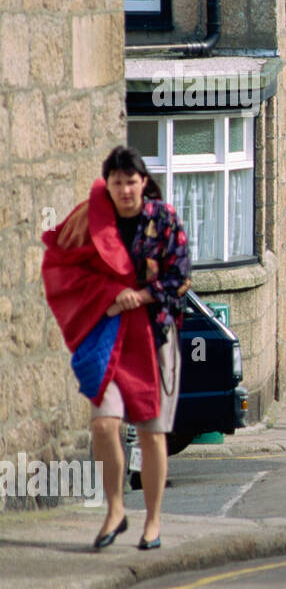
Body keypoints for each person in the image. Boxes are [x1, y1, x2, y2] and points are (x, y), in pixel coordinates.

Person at [41, 146, 192, 551]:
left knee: (151, 433)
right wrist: (108, 296)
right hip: (109, 337)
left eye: (131, 181)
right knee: (104, 425)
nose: (125, 189)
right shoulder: (93, 220)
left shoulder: (163, 219)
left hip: (156, 338)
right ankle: (115, 509)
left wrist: (140, 296)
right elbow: (66, 264)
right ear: (107, 185)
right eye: (117, 182)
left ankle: (154, 521)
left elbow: (180, 279)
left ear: (144, 182)